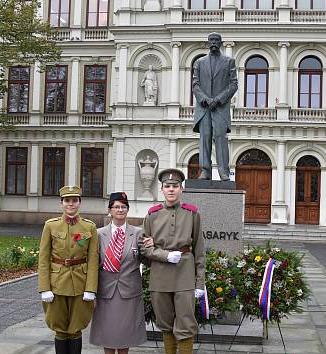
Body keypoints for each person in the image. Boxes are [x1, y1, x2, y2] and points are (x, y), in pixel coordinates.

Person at [140, 168, 206, 354]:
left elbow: (199, 251)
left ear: (181, 189)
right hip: (160, 275)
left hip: (184, 274)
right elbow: (144, 247)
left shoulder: (192, 213)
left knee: (185, 323)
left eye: (175, 186)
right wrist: (164, 255)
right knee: (165, 323)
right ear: (161, 189)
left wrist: (199, 282)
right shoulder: (152, 214)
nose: (171, 189)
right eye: (167, 186)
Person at [38, 185, 99, 354]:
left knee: (76, 327)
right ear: (61, 203)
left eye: (74, 200)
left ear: (79, 203)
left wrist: (91, 289)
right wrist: (44, 288)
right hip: (56, 284)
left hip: (80, 283)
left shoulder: (89, 227)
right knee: (59, 327)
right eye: (67, 201)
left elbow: (93, 260)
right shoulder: (50, 226)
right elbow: (43, 259)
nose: (70, 204)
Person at [90, 192, 150, 354]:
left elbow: (147, 260)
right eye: (116, 207)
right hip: (106, 291)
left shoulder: (138, 233)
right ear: (110, 210)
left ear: (128, 210)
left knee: (125, 333)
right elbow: (93, 265)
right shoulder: (98, 234)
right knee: (107, 333)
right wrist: (91, 291)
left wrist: (151, 247)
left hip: (129, 292)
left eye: (124, 207)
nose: (120, 210)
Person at [192, 32, 238, 181]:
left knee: (220, 139)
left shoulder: (229, 62)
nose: (213, 43)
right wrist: (205, 99)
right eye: (211, 40)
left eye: (216, 40)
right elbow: (195, 84)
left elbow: (233, 84)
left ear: (220, 43)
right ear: (208, 42)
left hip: (220, 108)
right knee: (204, 138)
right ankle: (205, 171)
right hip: (204, 108)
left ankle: (223, 171)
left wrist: (218, 99)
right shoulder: (199, 62)